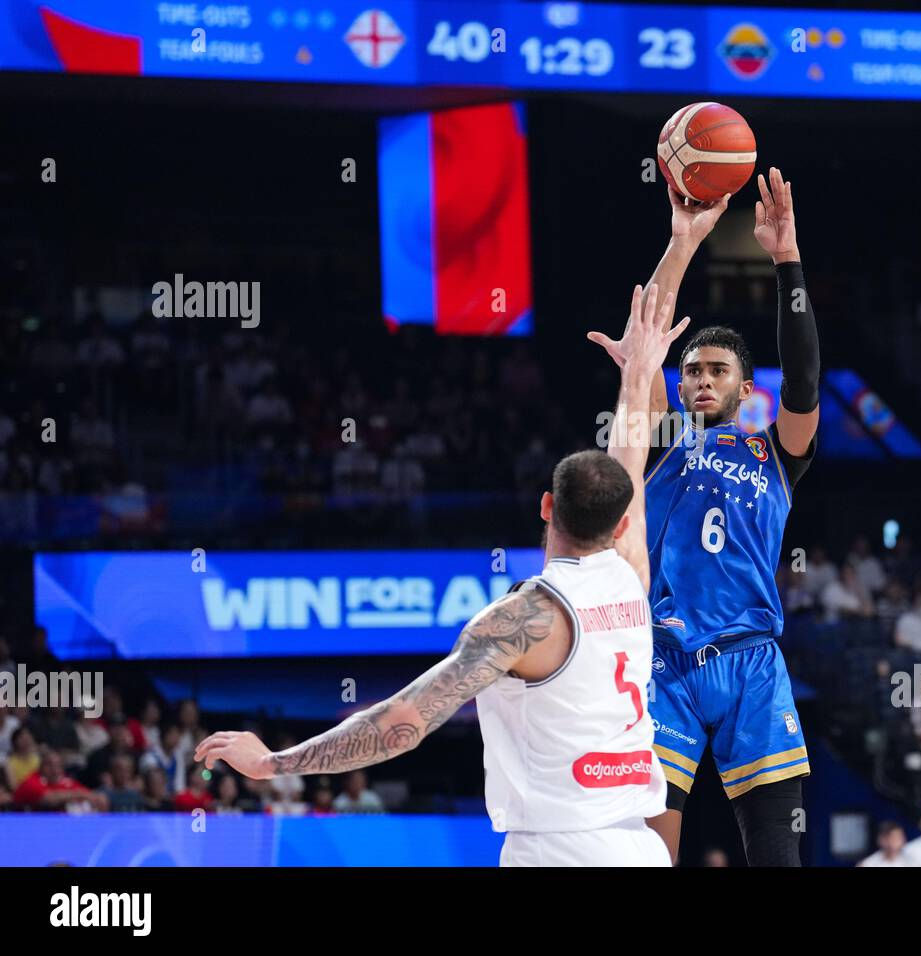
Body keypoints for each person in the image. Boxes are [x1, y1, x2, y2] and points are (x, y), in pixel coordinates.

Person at [198, 283, 686, 867]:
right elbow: (629, 457)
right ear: (623, 520)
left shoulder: (524, 618)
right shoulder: (628, 574)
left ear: (546, 508)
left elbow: (403, 722)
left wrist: (273, 762)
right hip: (640, 845)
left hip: (562, 850)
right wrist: (638, 374)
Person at [587, 168, 820, 866]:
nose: (701, 380)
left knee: (777, 853)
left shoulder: (777, 452)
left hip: (752, 659)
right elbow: (648, 335)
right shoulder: (657, 442)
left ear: (746, 390)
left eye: (717, 370)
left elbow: (805, 379)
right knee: (648, 853)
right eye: (691, 370)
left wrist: (787, 261)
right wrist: (681, 240)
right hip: (664, 662)